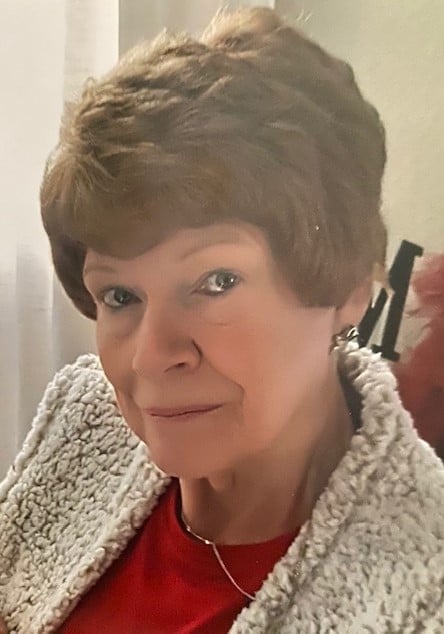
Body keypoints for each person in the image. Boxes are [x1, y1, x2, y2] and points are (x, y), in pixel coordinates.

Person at [1, 7, 443, 633]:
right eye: (121, 295)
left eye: (216, 282)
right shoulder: (84, 415)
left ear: (348, 288)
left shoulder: (423, 595)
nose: (151, 357)